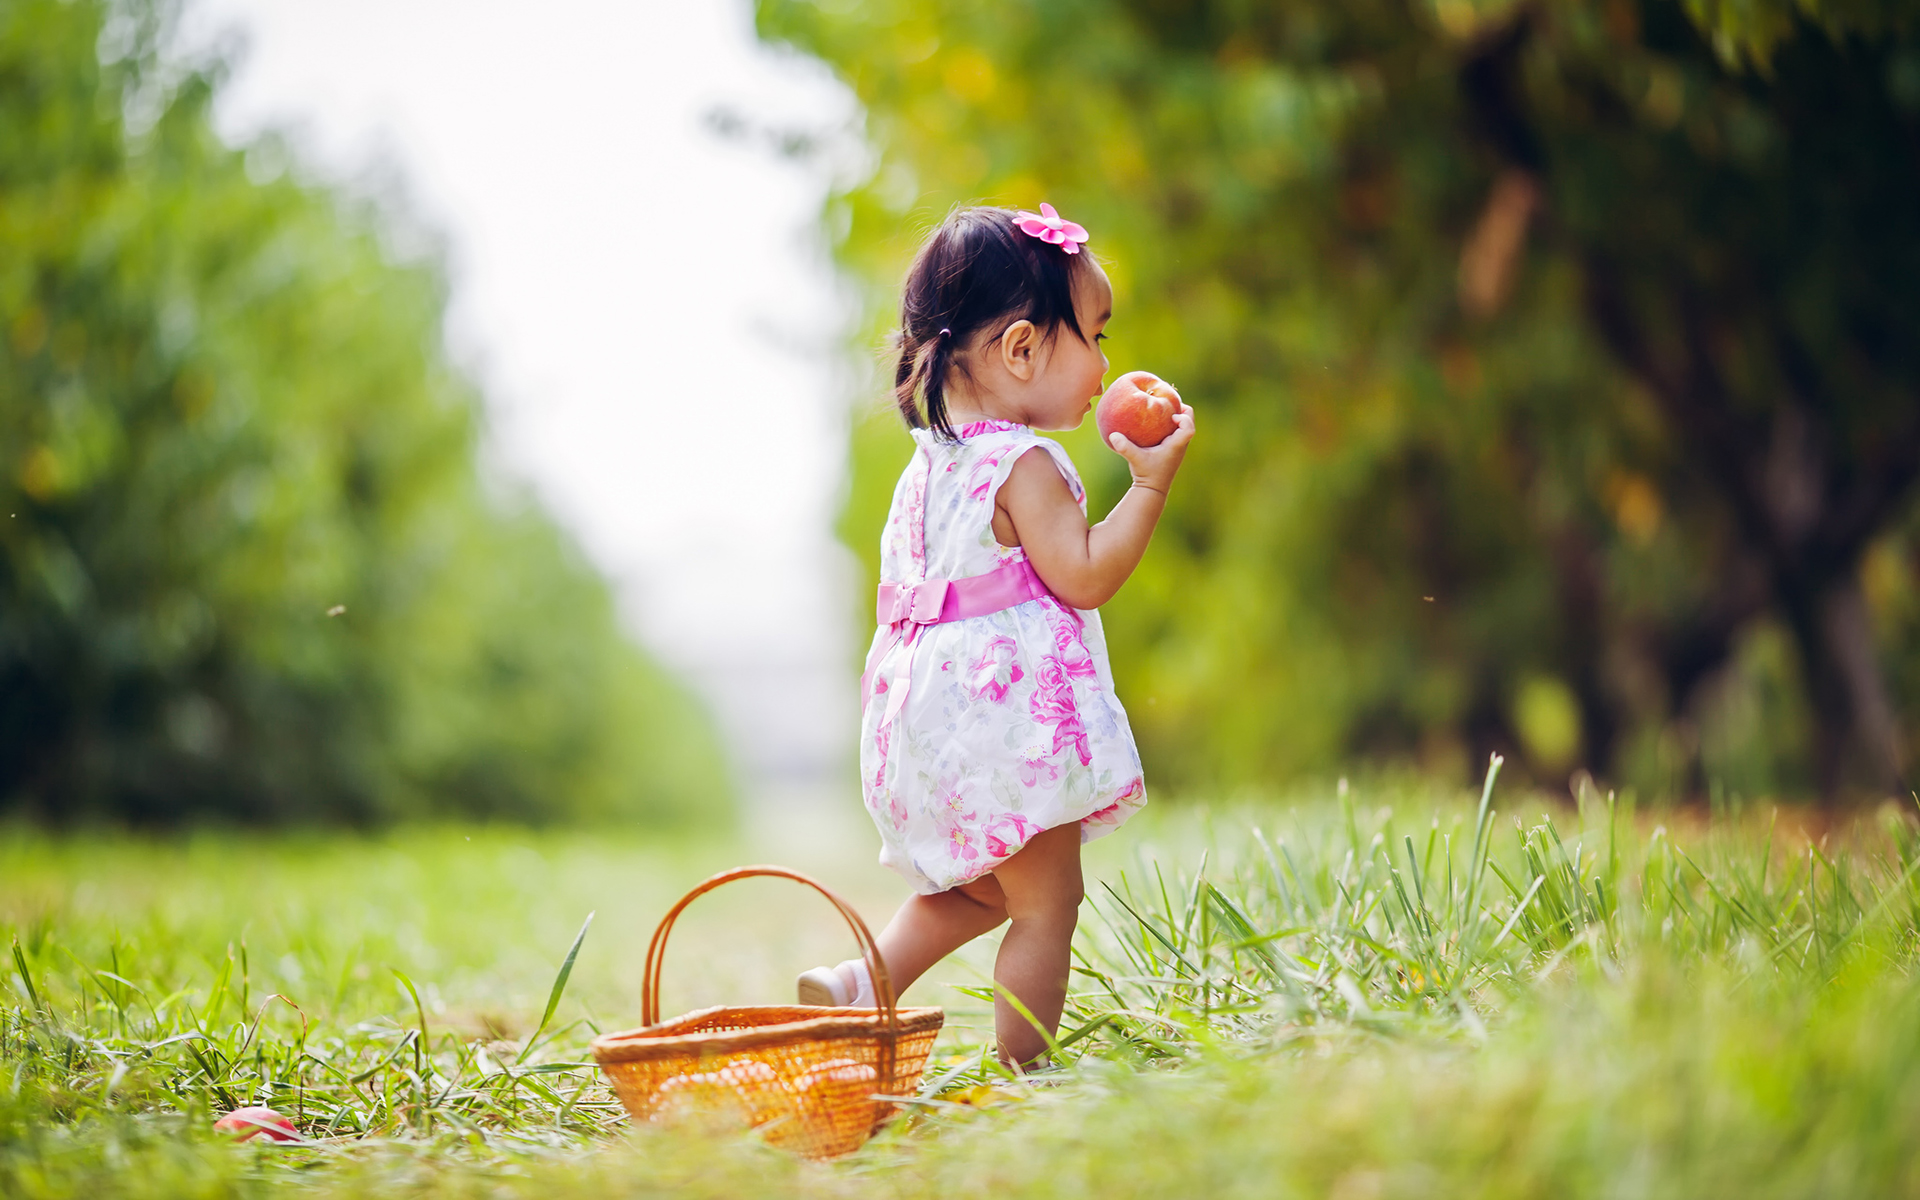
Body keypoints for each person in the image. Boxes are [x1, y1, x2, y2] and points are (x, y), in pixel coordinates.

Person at [797, 202, 1195, 1067]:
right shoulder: (1024, 464)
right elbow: (1084, 574)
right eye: (1094, 334)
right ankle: (1026, 1070)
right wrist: (1151, 489)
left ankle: (859, 983)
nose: (1106, 364)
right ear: (1021, 350)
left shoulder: (928, 468)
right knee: (1047, 903)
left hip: (921, 727)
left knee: (979, 891)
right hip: (1005, 729)